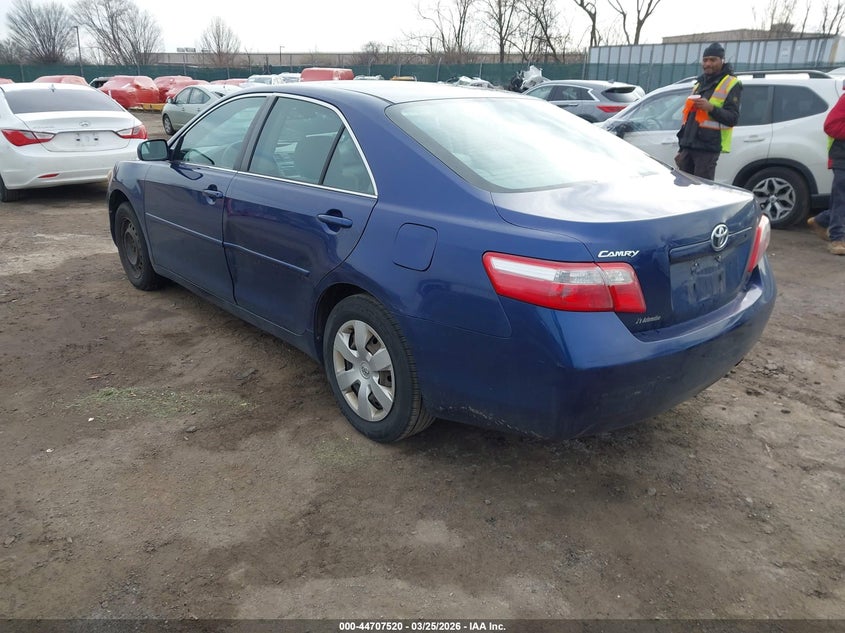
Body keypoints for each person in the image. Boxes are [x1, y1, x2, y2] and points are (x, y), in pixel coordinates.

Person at [675, 42, 742, 180]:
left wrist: (710, 108)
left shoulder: (731, 83)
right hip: (689, 146)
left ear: (722, 61)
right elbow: (689, 119)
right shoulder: (700, 84)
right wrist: (682, 149)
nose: (708, 64)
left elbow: (732, 118)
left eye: (713, 60)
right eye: (705, 60)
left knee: (701, 193)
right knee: (682, 192)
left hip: (707, 149)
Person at [806, 93, 845, 255]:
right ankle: (837, 238)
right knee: (842, 198)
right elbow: (830, 125)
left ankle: (821, 220)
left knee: (841, 200)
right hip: (842, 158)